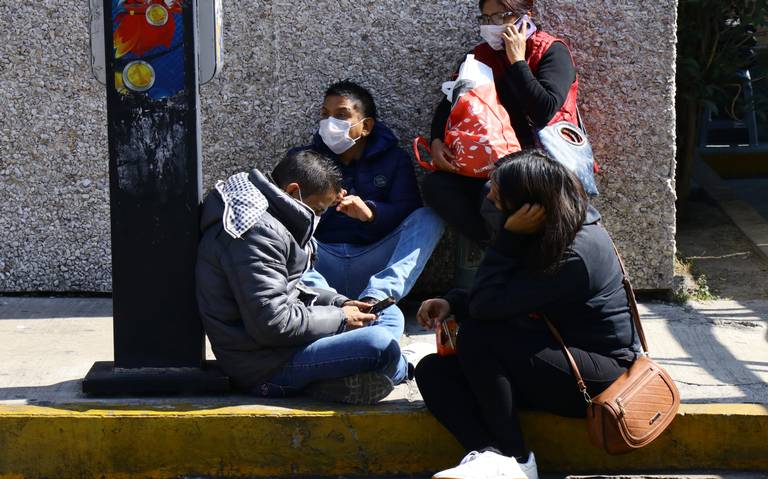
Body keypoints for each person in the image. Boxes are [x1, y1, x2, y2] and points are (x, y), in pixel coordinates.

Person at [414, 150, 642, 479]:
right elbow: (507, 296)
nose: (488, 201)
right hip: (552, 354)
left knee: (480, 335)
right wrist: (453, 302)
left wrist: (508, 239)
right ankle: (487, 453)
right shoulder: (553, 230)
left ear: (526, 206)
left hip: (598, 374)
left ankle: (517, 459)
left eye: (495, 196)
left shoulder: (575, 252)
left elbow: (487, 308)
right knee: (434, 372)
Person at [195, 150, 414, 405]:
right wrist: (341, 319)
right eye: (319, 209)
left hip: (285, 343)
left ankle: (335, 379)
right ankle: (397, 370)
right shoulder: (255, 233)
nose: (318, 217)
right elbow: (273, 323)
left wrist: (339, 303)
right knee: (380, 345)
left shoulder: (272, 216)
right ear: (293, 191)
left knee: (389, 313)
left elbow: (291, 288)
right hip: (265, 364)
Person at [421, 0, 580, 245]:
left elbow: (543, 111)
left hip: (539, 162)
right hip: (489, 159)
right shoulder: (481, 56)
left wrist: (517, 61)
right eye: (485, 19)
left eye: (500, 16)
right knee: (437, 186)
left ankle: (508, 256)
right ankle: (498, 248)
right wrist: (436, 141)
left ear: (525, 16)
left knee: (493, 191)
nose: (491, 26)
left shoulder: (550, 51)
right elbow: (450, 101)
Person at [293, 80, 444, 303]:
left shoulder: (394, 159)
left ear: (366, 126)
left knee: (429, 218)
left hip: (373, 261)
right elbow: (286, 219)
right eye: (325, 115)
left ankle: (378, 298)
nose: (329, 123)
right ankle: (324, 301)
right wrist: (322, 206)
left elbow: (408, 213)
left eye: (341, 115)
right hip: (319, 261)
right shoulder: (305, 160)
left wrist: (371, 214)